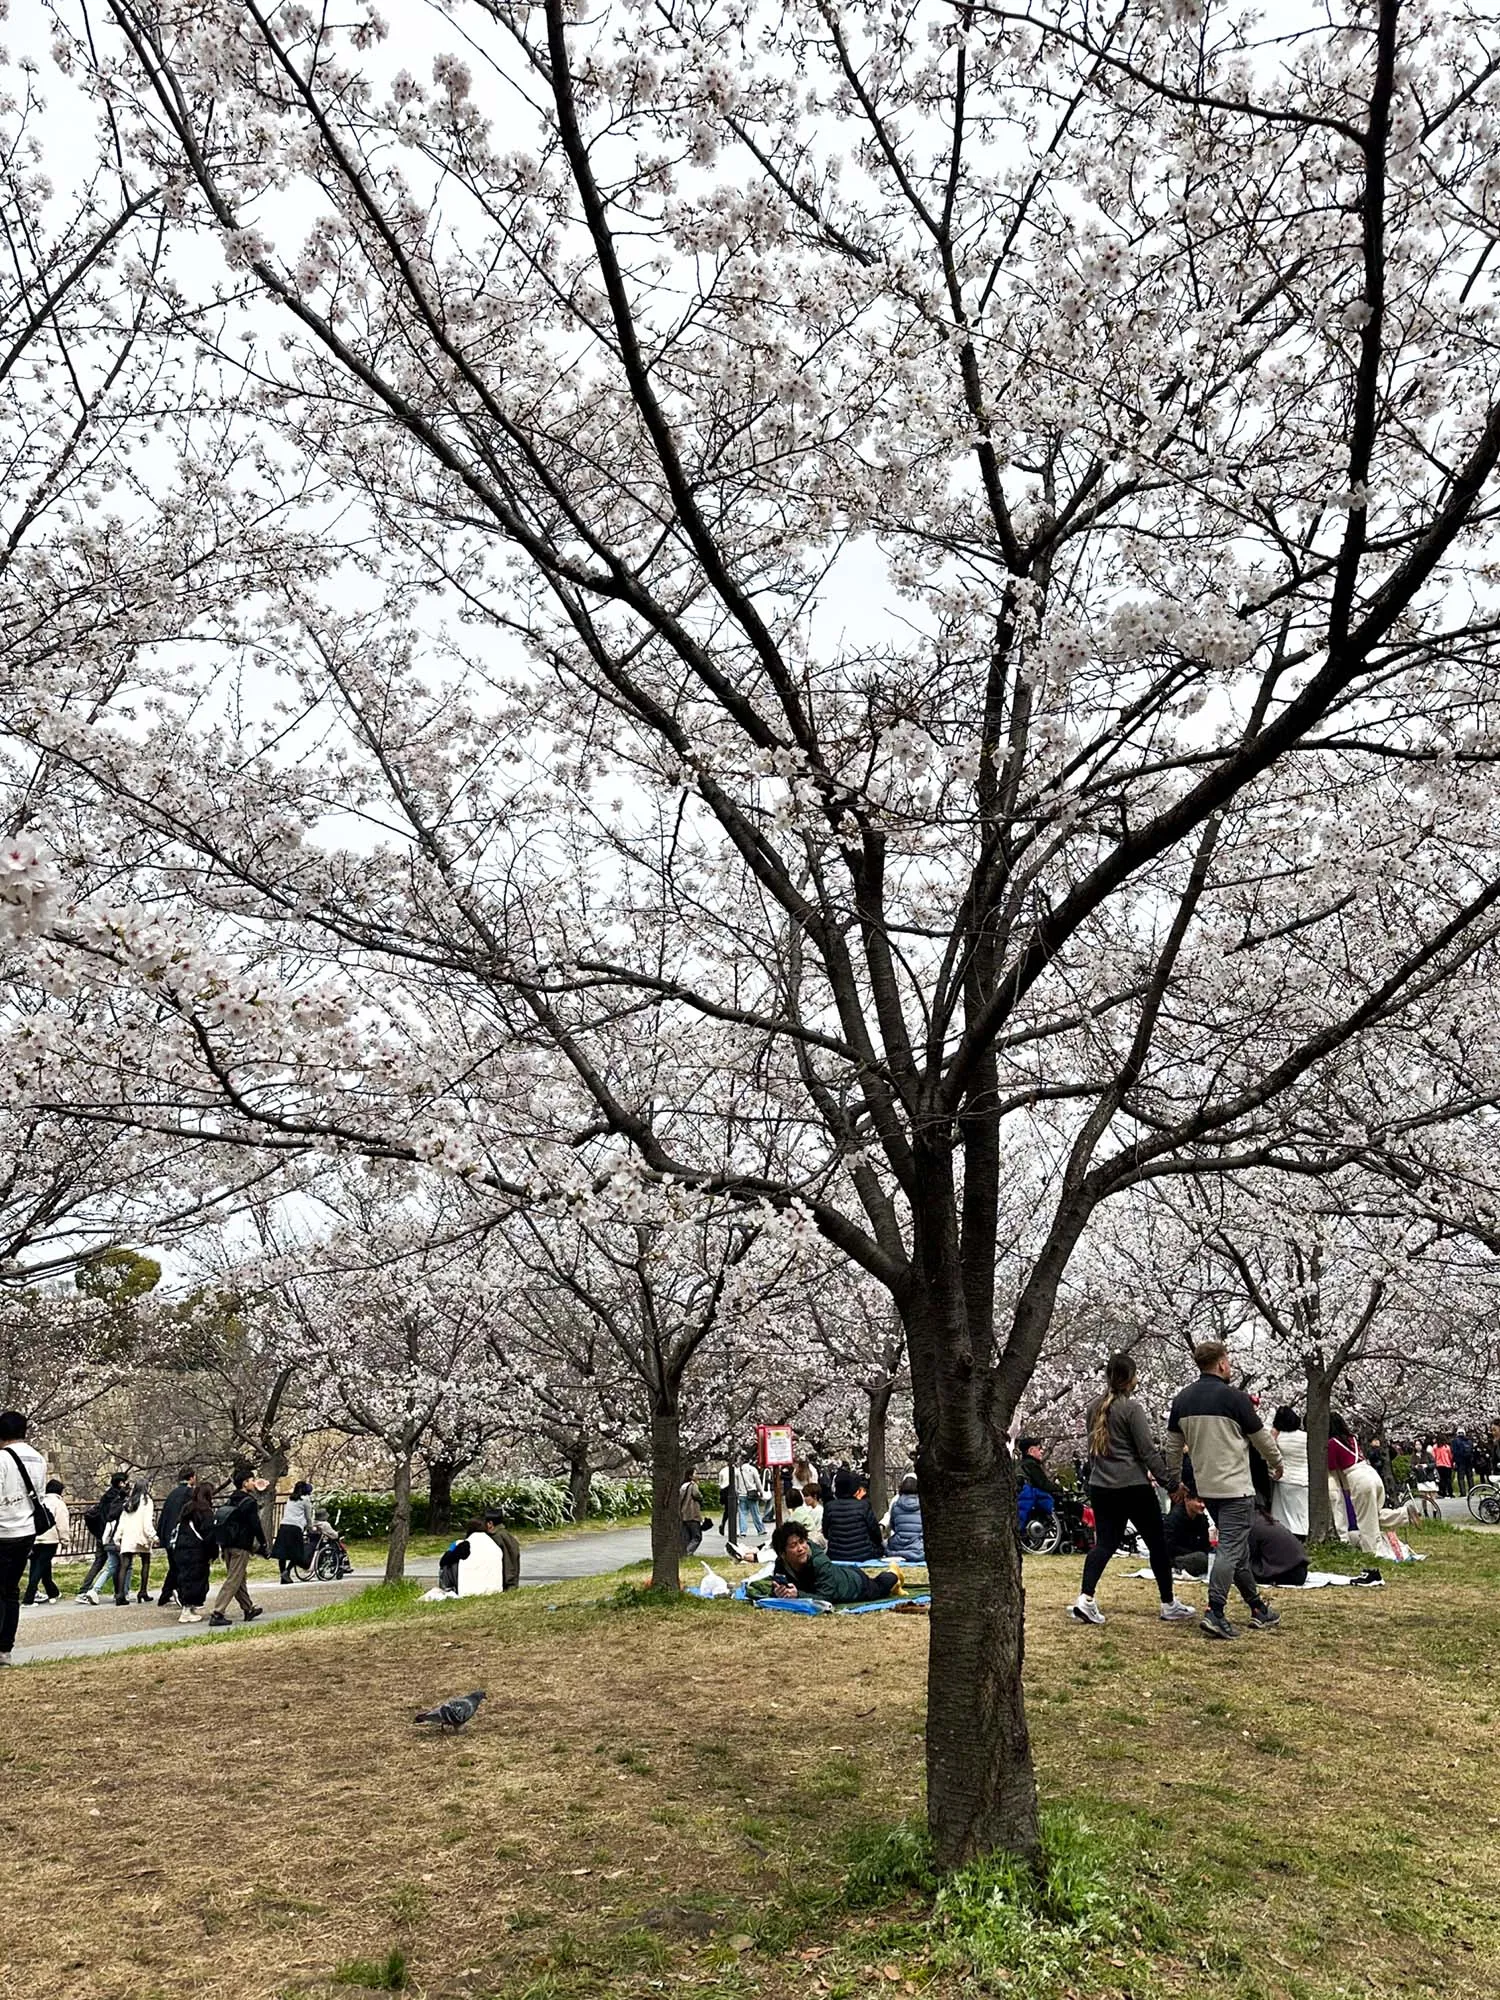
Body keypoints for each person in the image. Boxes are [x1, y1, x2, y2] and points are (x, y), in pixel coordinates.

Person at [1165, 1340, 1285, 1640]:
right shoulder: (1235, 1399)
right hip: (1235, 1487)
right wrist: (1277, 1463)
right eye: (1228, 1361)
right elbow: (1261, 1439)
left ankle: (1258, 1608)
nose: (1229, 1365)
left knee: (1237, 1550)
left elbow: (1172, 1448)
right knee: (1230, 1549)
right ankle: (1215, 1611)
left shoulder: (1182, 1400)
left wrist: (1175, 1481)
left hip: (1207, 1489)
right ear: (1220, 1363)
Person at [1069, 1355, 1195, 1627]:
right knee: (1157, 1543)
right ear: (1130, 1378)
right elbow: (1147, 1451)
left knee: (1104, 1544)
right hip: (1133, 1486)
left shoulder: (1094, 1408)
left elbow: (1093, 1452)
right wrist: (1171, 1484)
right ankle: (1168, 1603)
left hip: (1102, 1486)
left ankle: (1086, 1598)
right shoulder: (1131, 1409)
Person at [745, 1520, 899, 1604]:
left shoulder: (819, 1562)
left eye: (802, 1542)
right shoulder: (781, 1564)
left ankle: (894, 1572)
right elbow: (780, 1589)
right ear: (783, 1553)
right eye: (793, 1545)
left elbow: (827, 1597)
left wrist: (798, 1594)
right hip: (838, 1574)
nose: (800, 1548)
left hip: (856, 1585)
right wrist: (778, 1592)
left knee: (884, 1583)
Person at [1326, 1414, 1414, 1556]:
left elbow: (1331, 1467)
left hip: (1358, 1479)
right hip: (1371, 1473)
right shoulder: (1352, 1439)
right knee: (1373, 1513)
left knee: (1366, 1521)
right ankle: (1403, 1514)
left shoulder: (1332, 1443)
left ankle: (1373, 1553)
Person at [0, 1411, 47, 1666]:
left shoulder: (2, 1459)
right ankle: (5, 1649)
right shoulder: (38, 1458)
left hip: (3, 1531)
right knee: (11, 1590)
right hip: (26, 1532)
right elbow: (39, 1496)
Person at [208, 1463, 269, 1627]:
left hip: (227, 1544)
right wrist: (263, 1543)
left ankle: (248, 1608)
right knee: (234, 1579)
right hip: (240, 1545)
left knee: (239, 1578)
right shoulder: (249, 1502)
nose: (253, 1483)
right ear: (244, 1483)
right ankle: (218, 1612)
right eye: (251, 1480)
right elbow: (255, 1525)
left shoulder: (231, 1499)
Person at [170, 1481, 218, 1623]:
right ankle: (187, 1610)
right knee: (197, 1578)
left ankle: (188, 1607)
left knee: (185, 1577)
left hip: (181, 1548)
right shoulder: (205, 1511)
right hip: (197, 1549)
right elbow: (209, 1535)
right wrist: (213, 1553)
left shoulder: (187, 1508)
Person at [78, 1471, 129, 1604]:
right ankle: (116, 1592)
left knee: (102, 1563)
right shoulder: (118, 1498)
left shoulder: (106, 1496)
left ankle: (85, 1590)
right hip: (113, 1535)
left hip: (102, 1533)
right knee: (116, 1564)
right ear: (121, 1483)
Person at [23, 1477, 69, 1606]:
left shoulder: (39, 1500)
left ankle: (52, 1592)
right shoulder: (59, 1504)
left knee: (40, 1566)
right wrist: (65, 1541)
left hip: (34, 1538)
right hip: (49, 1539)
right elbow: (62, 1524)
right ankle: (28, 1598)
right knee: (39, 1568)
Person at [821, 1469, 884, 1561]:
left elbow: (826, 1533)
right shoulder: (863, 1505)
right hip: (863, 1554)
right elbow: (875, 1533)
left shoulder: (829, 1507)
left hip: (836, 1555)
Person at [155, 1466, 196, 1607]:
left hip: (168, 1535)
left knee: (174, 1566)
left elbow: (164, 1516)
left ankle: (165, 1594)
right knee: (181, 1567)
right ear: (191, 1477)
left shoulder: (172, 1494)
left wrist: (160, 1535)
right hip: (180, 1535)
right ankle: (180, 1594)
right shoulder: (189, 1494)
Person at [113, 1481, 157, 1605]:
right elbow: (147, 1523)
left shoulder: (129, 1502)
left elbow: (122, 1522)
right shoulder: (147, 1502)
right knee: (146, 1562)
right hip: (141, 1536)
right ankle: (143, 1591)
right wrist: (153, 1536)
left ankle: (120, 1595)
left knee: (124, 1565)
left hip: (128, 1536)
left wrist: (117, 1538)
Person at [1269, 1406, 1309, 1539]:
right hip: (1304, 1480)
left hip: (1285, 1479)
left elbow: (1269, 1452)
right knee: (1303, 1517)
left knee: (1284, 1518)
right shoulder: (1306, 1437)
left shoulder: (1279, 1437)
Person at [1248, 1508, 1309, 1588]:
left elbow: (1245, 1555)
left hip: (1289, 1574)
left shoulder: (1252, 1525)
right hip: (1299, 1571)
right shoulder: (1262, 1520)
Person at [273, 1480, 315, 1583]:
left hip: (284, 1525)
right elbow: (308, 1516)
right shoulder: (305, 1500)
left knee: (282, 1553)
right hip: (295, 1527)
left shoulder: (290, 1499)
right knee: (297, 1553)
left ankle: (283, 1574)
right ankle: (287, 1571)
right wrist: (310, 1527)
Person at [1164, 1491, 1212, 1576]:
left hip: (1195, 1554)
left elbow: (1205, 1543)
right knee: (1201, 1558)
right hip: (1176, 1558)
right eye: (1199, 1501)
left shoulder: (1202, 1519)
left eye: (1205, 1502)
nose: (1203, 1505)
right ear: (1187, 1499)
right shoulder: (1174, 1518)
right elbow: (1169, 1546)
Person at [883, 1473, 926, 1562]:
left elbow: (893, 1525)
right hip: (918, 1545)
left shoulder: (896, 1504)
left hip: (898, 1545)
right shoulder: (925, 1504)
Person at [679, 1467, 705, 1555]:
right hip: (692, 1514)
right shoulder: (693, 1485)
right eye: (695, 1474)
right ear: (690, 1476)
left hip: (684, 1514)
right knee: (697, 1536)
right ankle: (688, 1552)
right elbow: (697, 1494)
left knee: (687, 1536)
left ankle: (685, 1552)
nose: (697, 1476)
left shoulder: (683, 1486)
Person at [1453, 1429, 1475, 1498]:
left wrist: (1455, 1461)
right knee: (1470, 1477)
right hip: (1469, 1462)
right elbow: (1472, 1451)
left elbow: (1454, 1452)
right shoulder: (1469, 1441)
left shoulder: (1455, 1441)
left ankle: (1463, 1492)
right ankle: (1472, 1491)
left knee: (1461, 1478)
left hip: (1460, 1462)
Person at [1432, 1435, 1454, 1499]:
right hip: (1447, 1465)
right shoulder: (1447, 1447)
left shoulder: (1435, 1447)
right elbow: (1450, 1456)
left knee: (1441, 1479)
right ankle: (1450, 1493)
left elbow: (1433, 1456)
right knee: (1448, 1479)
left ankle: (1443, 1492)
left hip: (1439, 1465)